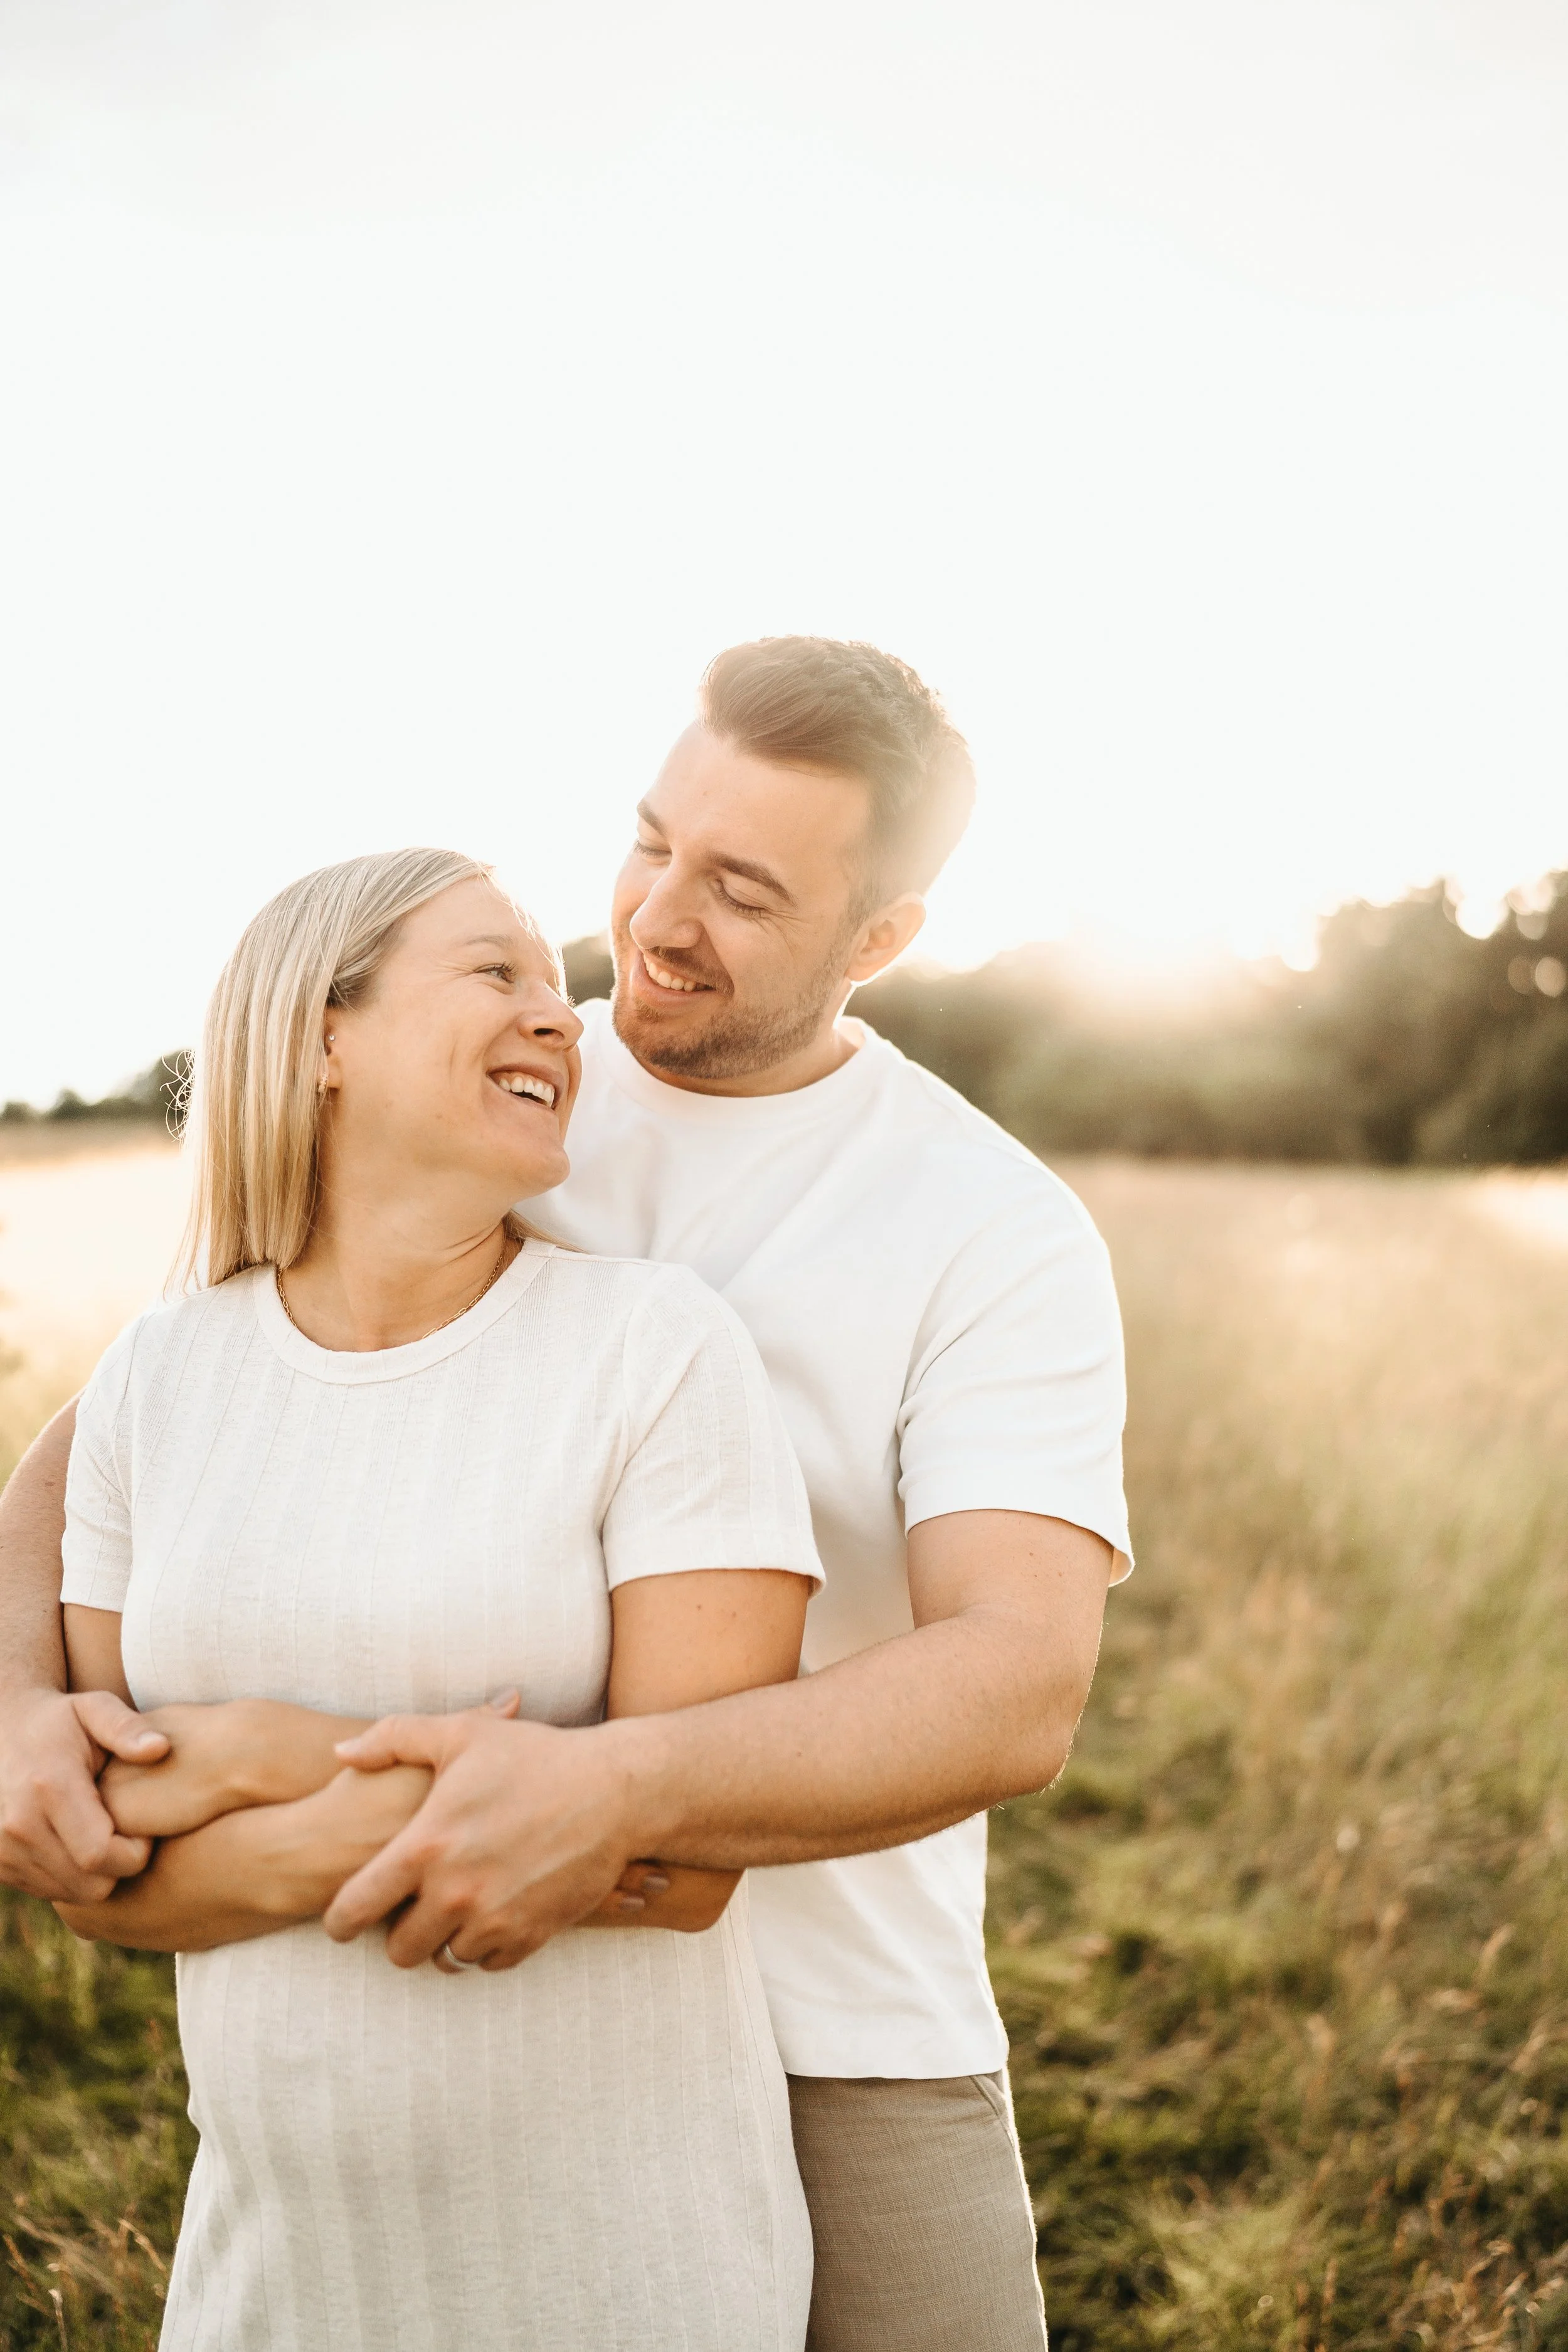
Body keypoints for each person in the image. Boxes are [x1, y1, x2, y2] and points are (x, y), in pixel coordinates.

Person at [0, 637, 1131, 2352]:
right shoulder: (506, 1081)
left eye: (741, 886)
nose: (658, 912)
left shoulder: (987, 1223)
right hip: (453, 1990)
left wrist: (599, 1792)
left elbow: (1016, 1683)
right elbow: (118, 1435)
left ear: (877, 939)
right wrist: (18, 1701)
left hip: (839, 2018)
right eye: (652, 838)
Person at [38, 847, 824, 2351]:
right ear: (322, 1037)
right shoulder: (158, 1377)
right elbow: (114, 1870)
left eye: (555, 985)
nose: (562, 1018)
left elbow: (688, 1864)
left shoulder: (653, 1350)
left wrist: (260, 1757)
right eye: (496, 973)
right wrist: (503, 1802)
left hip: (624, 2277)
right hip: (271, 2280)